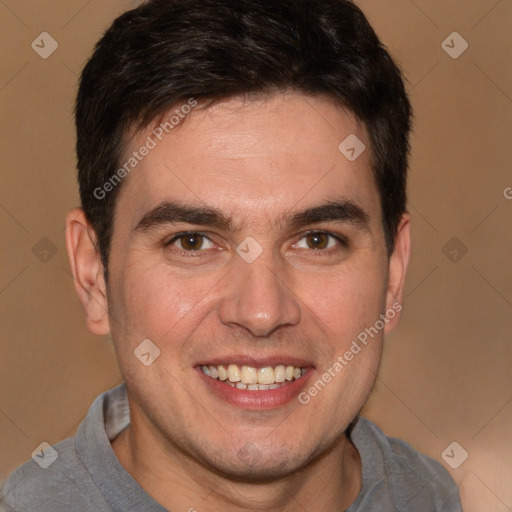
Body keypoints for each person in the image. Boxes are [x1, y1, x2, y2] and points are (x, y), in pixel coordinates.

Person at [1, 0, 463, 510]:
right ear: (94, 275)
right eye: (192, 241)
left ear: (393, 276)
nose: (262, 311)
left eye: (317, 240)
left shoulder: (435, 497)